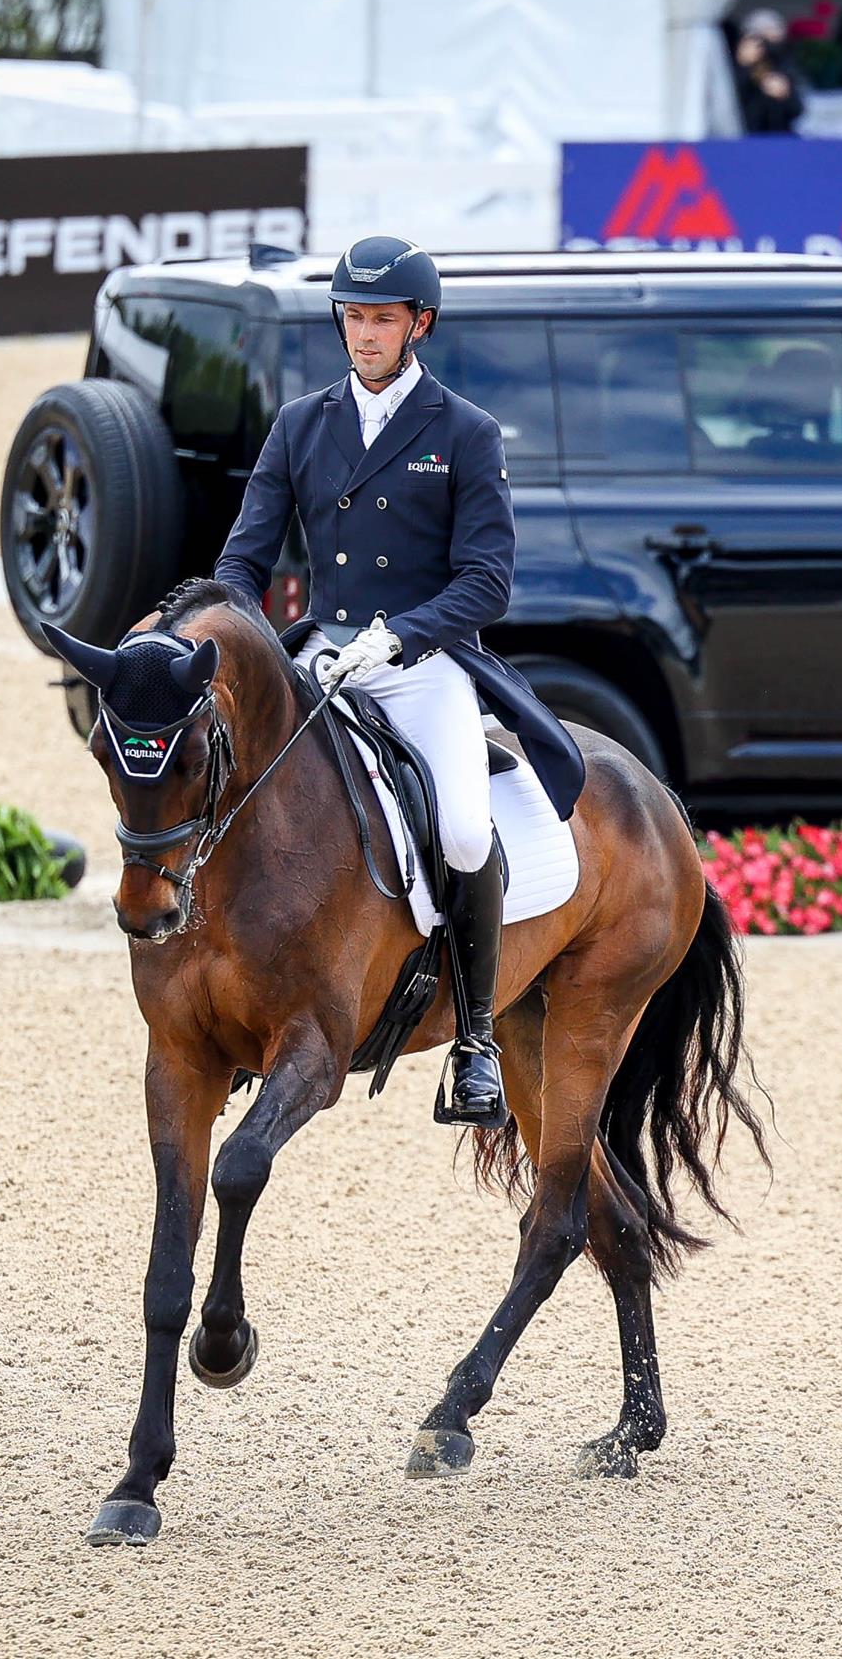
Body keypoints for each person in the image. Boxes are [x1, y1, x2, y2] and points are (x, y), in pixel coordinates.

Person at [213, 235, 584, 1128]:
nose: (364, 333)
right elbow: (241, 561)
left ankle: (477, 1042)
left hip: (420, 668)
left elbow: (487, 579)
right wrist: (235, 638)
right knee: (231, 791)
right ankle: (232, 1005)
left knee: (460, 830)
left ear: (419, 324)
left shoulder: (464, 431)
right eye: (352, 316)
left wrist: (404, 636)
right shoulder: (301, 423)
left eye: (381, 318)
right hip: (322, 663)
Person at [733, 8, 804, 134]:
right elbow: (729, 103)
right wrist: (743, 65)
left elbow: (797, 109)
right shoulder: (735, 65)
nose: (765, 44)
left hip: (780, 136)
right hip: (743, 135)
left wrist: (785, 95)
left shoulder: (785, 64)